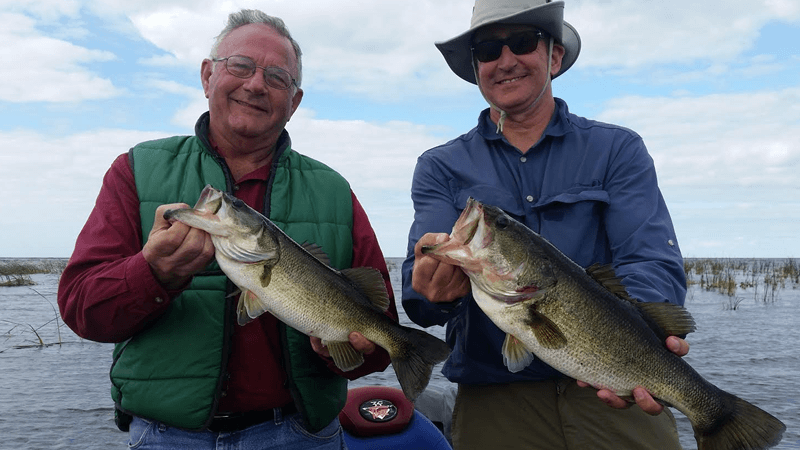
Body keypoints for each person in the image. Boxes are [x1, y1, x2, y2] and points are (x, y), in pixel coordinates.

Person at [58, 9, 396, 450]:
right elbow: (81, 310)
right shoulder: (135, 170)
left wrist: (345, 352)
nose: (255, 85)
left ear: (294, 102)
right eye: (240, 66)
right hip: (166, 437)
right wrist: (152, 274)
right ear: (207, 76)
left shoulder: (334, 191)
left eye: (276, 77)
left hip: (301, 435)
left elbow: (382, 337)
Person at [402, 1, 690, 449]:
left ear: (554, 57)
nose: (506, 61)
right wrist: (429, 287)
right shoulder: (440, 166)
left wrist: (642, 341)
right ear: (477, 68)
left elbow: (649, 260)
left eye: (522, 42)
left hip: (616, 395)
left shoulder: (617, 149)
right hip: (495, 400)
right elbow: (421, 296)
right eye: (488, 50)